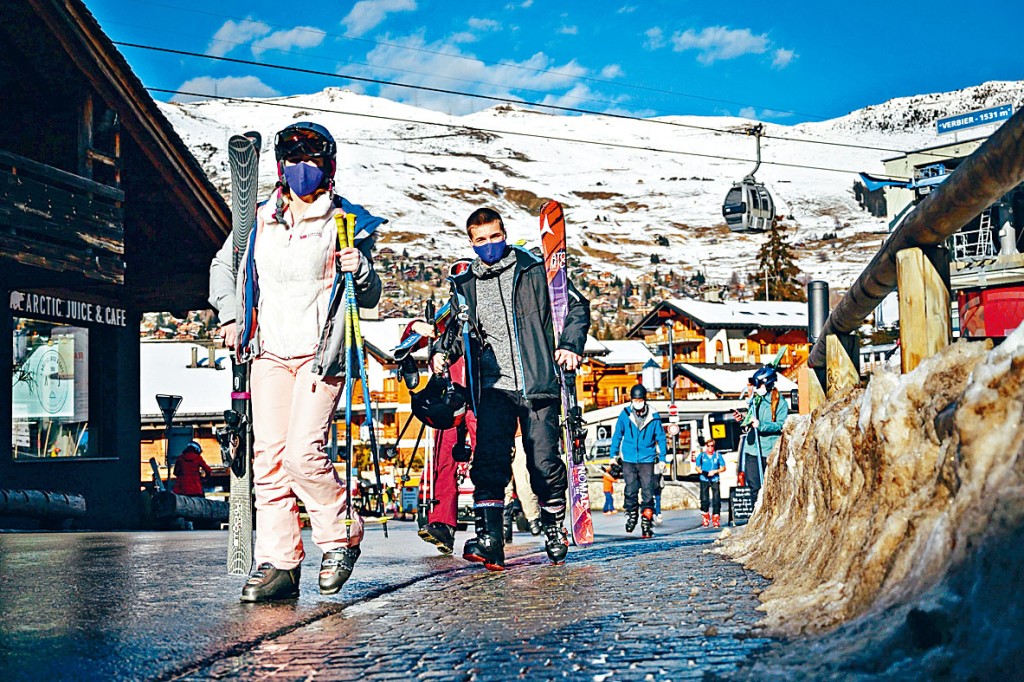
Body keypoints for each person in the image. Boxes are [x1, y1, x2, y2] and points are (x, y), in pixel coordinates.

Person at [209, 121, 385, 603]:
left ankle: (341, 535)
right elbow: (224, 266)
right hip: (267, 351)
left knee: (302, 455)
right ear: (280, 166)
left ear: (328, 165)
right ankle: (279, 563)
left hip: (318, 353)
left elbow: (370, 294)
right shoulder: (259, 219)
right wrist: (231, 316)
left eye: (311, 158)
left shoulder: (346, 222)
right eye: (293, 159)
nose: (301, 167)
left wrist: (361, 269)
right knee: (268, 462)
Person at [431, 207, 590, 570]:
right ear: (471, 242)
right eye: (481, 240)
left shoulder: (535, 270)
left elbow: (576, 307)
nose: (489, 244)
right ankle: (490, 540)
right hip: (493, 389)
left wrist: (570, 345)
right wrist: (442, 352)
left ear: (504, 234)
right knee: (489, 463)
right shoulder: (465, 285)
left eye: (495, 236)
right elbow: (456, 330)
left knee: (543, 463)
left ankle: (553, 526)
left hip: (538, 383)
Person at [609, 384, 667, 539]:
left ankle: (646, 522)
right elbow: (617, 435)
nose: (638, 403)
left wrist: (662, 459)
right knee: (630, 489)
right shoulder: (625, 414)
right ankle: (632, 514)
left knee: (648, 491)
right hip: (628, 458)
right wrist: (613, 455)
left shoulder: (654, 417)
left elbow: (661, 438)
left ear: (645, 400)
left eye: (640, 400)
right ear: (631, 400)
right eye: (635, 400)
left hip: (647, 459)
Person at [732, 365, 789, 498]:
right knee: (754, 488)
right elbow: (750, 420)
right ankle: (755, 510)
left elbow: (781, 425)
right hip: (752, 450)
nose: (757, 388)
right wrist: (742, 419)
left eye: (759, 385)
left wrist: (761, 425)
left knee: (771, 488)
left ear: (768, 384)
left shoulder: (781, 403)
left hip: (768, 451)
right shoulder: (756, 400)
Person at [694, 438, 727, 527]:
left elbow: (723, 467)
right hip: (704, 479)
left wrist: (715, 471)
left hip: (714, 479)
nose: (710, 448)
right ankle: (705, 516)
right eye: (708, 446)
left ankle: (716, 517)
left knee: (716, 499)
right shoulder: (702, 456)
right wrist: (703, 472)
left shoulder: (717, 456)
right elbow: (697, 467)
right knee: (704, 499)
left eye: (712, 446)